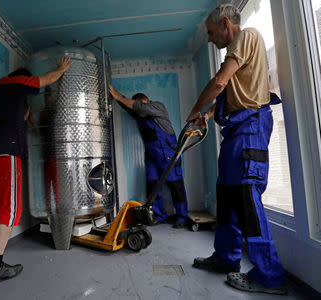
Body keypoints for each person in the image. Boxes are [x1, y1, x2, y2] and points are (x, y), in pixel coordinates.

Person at [187, 4, 286, 295]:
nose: (209, 38)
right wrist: (205, 117)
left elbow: (219, 82)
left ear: (226, 23)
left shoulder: (246, 36)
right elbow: (230, 90)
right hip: (234, 131)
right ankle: (226, 258)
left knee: (245, 198)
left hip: (250, 128)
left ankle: (269, 276)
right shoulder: (238, 50)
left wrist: (195, 109)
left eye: (210, 32)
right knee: (227, 196)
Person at [0, 56, 71, 286]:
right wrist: (60, 69)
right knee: (9, 209)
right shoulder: (14, 84)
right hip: (4, 155)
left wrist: (24, 115)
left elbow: (17, 118)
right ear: (22, 79)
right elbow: (46, 79)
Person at [109, 85, 189, 228]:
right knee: (152, 186)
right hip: (151, 156)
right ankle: (159, 215)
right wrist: (115, 96)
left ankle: (182, 217)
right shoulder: (140, 114)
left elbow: (139, 107)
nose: (139, 112)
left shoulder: (157, 107)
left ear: (146, 101)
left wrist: (119, 97)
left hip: (168, 154)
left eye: (140, 106)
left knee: (175, 185)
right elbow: (129, 107)